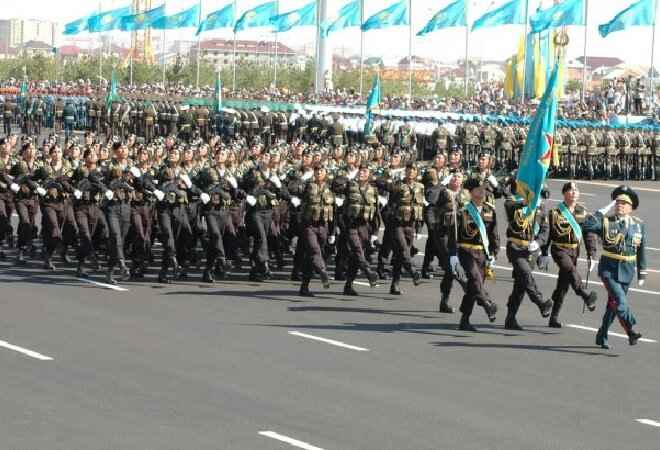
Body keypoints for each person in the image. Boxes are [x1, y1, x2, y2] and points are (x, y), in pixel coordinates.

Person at [583, 185, 646, 349]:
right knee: (620, 300)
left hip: (627, 270)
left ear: (631, 208)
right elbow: (587, 225)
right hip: (609, 269)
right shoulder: (606, 222)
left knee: (613, 306)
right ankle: (631, 327)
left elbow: (641, 250)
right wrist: (602, 210)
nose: (619, 205)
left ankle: (602, 334)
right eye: (617, 202)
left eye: (624, 203)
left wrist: (642, 273)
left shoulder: (638, 226)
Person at [541, 182, 598, 328]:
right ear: (564, 193)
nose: (574, 192)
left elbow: (589, 234)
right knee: (571, 270)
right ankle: (584, 294)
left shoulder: (582, 212)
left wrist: (591, 254)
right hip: (559, 249)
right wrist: (544, 252)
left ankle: (552, 317)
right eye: (570, 190)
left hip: (574, 251)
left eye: (576, 190)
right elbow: (548, 234)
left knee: (563, 286)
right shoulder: (555, 212)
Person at [448, 178, 499, 331]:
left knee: (473, 287)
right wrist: (453, 255)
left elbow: (494, 235)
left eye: (484, 188)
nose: (482, 190)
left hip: (482, 253)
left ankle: (464, 320)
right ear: (470, 192)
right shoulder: (462, 211)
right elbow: (453, 235)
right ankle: (488, 304)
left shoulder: (490, 210)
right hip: (466, 251)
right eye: (478, 188)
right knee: (475, 279)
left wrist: (494, 254)